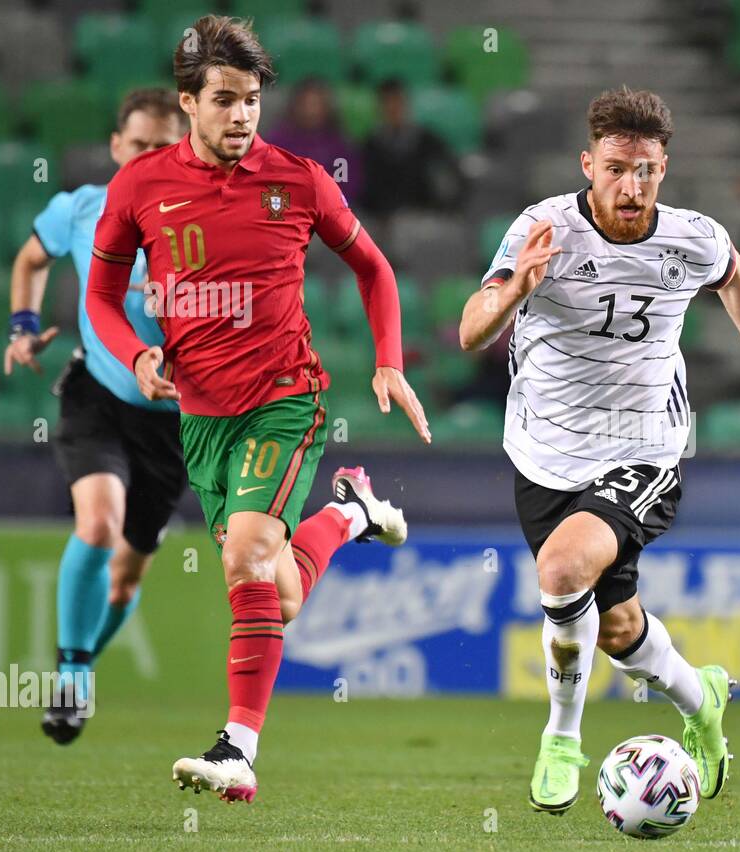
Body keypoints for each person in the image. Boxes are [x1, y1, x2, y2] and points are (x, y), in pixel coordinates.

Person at [86, 16, 430, 802]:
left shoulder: (300, 179)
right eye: (226, 100)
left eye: (252, 101)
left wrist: (388, 361)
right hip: (201, 419)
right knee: (278, 590)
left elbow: (374, 269)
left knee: (243, 556)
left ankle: (237, 749)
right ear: (188, 104)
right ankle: (349, 514)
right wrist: (136, 355)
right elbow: (103, 296)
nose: (243, 116)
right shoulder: (140, 188)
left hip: (286, 400)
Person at [459, 86, 740, 813]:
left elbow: (737, 278)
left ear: (664, 169)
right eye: (615, 169)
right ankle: (704, 700)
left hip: (644, 446)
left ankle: (561, 739)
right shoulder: (542, 228)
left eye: (646, 171)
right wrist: (514, 295)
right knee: (617, 626)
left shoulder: (691, 236)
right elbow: (470, 331)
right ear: (588, 163)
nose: (630, 187)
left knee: (563, 565)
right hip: (543, 450)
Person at [3, 89, 186, 744]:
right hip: (98, 396)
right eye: (139, 145)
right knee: (99, 522)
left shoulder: (205, 221)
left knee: (126, 575)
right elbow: (29, 259)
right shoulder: (82, 208)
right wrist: (22, 325)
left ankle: (79, 659)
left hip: (176, 422)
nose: (150, 157)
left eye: (165, 147)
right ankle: (73, 674)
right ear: (117, 148)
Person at [361, 78, 465, 215]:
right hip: (382, 218)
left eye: (398, 103)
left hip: (423, 217)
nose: (393, 109)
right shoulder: (371, 146)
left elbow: (445, 182)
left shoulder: (429, 142)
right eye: (388, 104)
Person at [266, 77, 362, 204]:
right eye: (306, 104)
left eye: (316, 104)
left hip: (330, 212)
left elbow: (347, 183)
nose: (310, 111)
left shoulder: (339, 145)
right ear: (295, 106)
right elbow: (268, 179)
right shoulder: (278, 142)